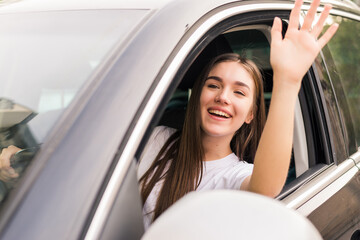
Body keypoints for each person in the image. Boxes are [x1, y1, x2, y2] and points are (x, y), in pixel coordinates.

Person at [138, 0, 339, 229]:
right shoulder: (155, 139)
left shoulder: (236, 176)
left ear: (250, 115)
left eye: (239, 92)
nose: (223, 97)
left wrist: (288, 80)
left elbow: (264, 190)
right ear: (196, 97)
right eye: (213, 85)